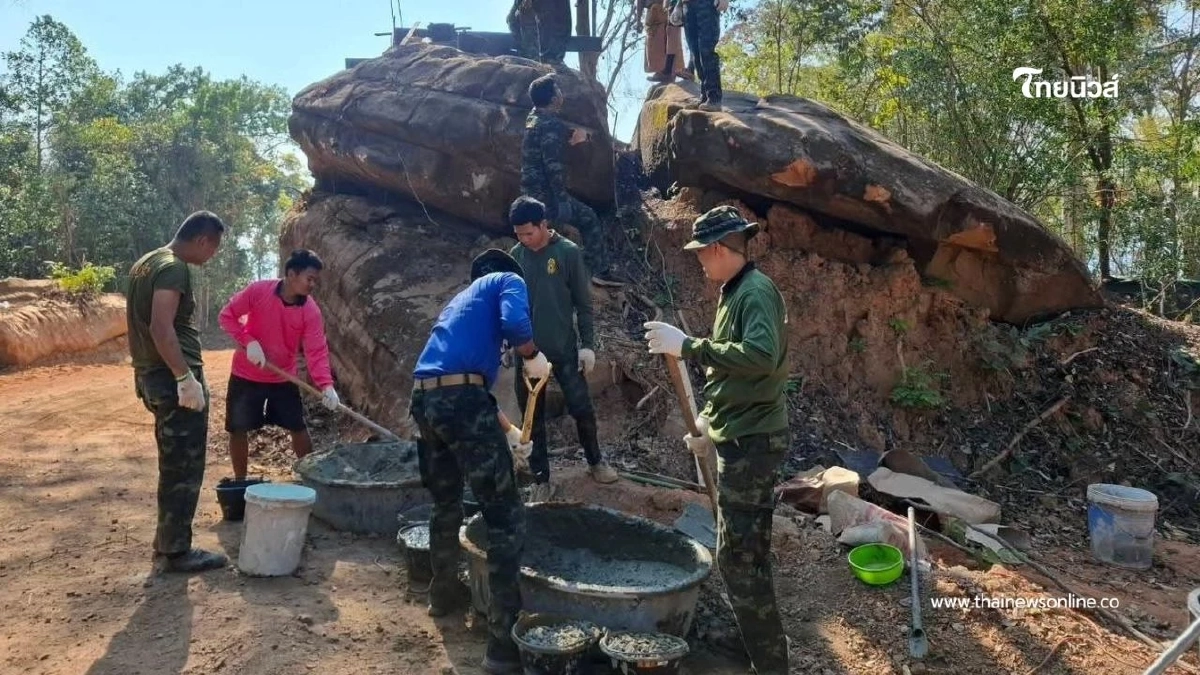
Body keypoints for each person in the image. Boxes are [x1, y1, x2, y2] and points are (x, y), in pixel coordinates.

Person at [643, 205, 791, 673]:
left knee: (741, 560)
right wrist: (709, 420)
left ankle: (768, 663)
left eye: (701, 254)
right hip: (738, 435)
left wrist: (689, 345)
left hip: (754, 442)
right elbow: (734, 371)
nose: (700, 263)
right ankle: (752, 644)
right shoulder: (735, 292)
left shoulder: (755, 292)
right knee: (739, 553)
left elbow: (761, 357)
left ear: (717, 249)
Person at [410, 248, 550, 675]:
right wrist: (531, 354)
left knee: (446, 502)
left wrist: (508, 432)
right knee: (505, 518)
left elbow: (462, 383)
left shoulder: (458, 307)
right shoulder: (509, 282)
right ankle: (502, 648)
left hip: (425, 401)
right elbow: (516, 324)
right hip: (461, 402)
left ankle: (443, 595)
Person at [126, 210, 228, 574]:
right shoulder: (173, 267)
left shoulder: (146, 262)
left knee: (172, 462)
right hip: (171, 378)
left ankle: (166, 542)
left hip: (151, 375)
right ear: (202, 240)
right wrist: (185, 377)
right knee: (184, 466)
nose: (210, 257)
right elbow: (161, 327)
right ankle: (176, 552)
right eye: (212, 249)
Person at [508, 196, 620, 496]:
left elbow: (583, 305)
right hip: (529, 354)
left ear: (544, 225)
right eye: (518, 234)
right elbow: (511, 307)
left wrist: (588, 345)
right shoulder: (516, 256)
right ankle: (542, 479)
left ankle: (596, 462)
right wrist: (510, 344)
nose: (524, 239)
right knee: (532, 418)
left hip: (564, 350)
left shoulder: (568, 254)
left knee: (582, 408)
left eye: (528, 233)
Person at [217, 249, 340, 480]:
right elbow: (227, 316)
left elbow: (316, 350)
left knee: (298, 427)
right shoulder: (258, 291)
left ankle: (311, 479)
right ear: (292, 274)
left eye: (315, 280)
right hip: (246, 374)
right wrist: (248, 341)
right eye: (309, 278)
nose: (312, 284)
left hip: (283, 377)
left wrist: (326, 385)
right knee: (237, 428)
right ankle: (240, 482)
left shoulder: (310, 310)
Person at [521, 74, 625, 287]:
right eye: (557, 90)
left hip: (530, 192)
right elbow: (553, 166)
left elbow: (551, 131)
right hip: (546, 195)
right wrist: (561, 200)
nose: (561, 94)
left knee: (546, 238)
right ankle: (599, 271)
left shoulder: (533, 118)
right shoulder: (548, 125)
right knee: (588, 218)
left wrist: (573, 134)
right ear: (552, 98)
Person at [673, 0, 729, 111]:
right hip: (687, 7)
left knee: (706, 51)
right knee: (695, 53)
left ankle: (714, 98)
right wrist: (678, 6)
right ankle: (704, 96)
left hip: (706, 4)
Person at [639, 0, 692, 83]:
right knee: (655, 44)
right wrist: (638, 19)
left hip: (669, 8)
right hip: (654, 11)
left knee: (672, 37)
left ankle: (674, 71)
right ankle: (664, 73)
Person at [506, 0, 571, 64]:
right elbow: (511, 19)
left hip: (550, 54)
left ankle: (537, 56)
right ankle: (533, 55)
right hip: (541, 54)